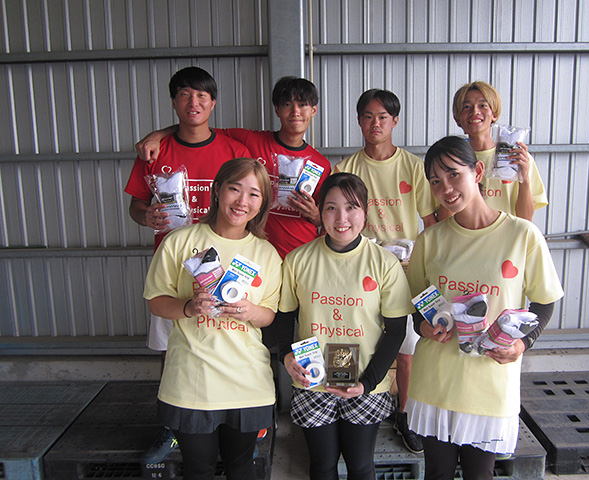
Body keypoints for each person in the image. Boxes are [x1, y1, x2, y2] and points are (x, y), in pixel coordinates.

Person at [405, 136, 564, 480]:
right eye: (435, 181)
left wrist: (522, 343)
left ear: (477, 171)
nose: (446, 188)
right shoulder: (430, 240)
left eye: (453, 174)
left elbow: (545, 301)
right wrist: (423, 326)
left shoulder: (522, 235)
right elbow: (416, 305)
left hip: (490, 382)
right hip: (436, 380)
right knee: (437, 473)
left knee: (480, 475)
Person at [125, 66, 250, 462]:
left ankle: (237, 420)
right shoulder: (155, 152)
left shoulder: (233, 149)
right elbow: (135, 204)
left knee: (231, 339)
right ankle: (172, 427)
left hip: (227, 268)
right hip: (173, 268)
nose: (193, 103)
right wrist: (146, 216)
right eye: (184, 94)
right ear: (173, 101)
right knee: (171, 349)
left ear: (213, 103)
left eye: (201, 96)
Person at [143, 158, 282, 480]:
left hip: (248, 382)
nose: (242, 201)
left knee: (241, 468)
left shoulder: (267, 254)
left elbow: (269, 315)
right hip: (192, 380)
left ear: (262, 203)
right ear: (217, 190)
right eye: (235, 189)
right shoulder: (179, 241)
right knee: (198, 469)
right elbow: (156, 302)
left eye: (254, 194)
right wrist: (189, 307)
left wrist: (249, 311)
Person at [278, 172, 413, 480]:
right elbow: (284, 318)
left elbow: (395, 331)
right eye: (331, 208)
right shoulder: (298, 260)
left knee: (360, 466)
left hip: (366, 382)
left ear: (365, 212)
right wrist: (286, 356)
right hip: (312, 380)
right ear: (319, 211)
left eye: (351, 207)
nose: (342, 218)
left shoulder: (384, 263)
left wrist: (368, 383)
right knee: (322, 466)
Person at [333, 89, 437, 454]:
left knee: (407, 350)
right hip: (356, 270)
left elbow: (430, 222)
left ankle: (404, 413)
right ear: (358, 121)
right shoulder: (345, 168)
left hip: (404, 273)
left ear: (395, 121)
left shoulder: (413, 166)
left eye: (382, 117)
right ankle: (345, 405)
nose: (375, 124)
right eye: (367, 116)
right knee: (350, 336)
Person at [136, 76, 331, 259]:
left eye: (302, 105)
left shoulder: (321, 163)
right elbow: (197, 128)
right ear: (277, 110)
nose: (295, 112)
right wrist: (157, 135)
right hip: (253, 252)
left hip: (301, 253)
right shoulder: (251, 141)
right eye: (287, 104)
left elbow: (326, 219)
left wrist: (315, 215)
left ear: (313, 110)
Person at [438, 80, 548, 222]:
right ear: (457, 118)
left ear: (494, 114)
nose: (475, 111)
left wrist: (524, 178)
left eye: (483, 105)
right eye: (466, 107)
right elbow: (444, 221)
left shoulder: (517, 158)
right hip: (466, 236)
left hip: (507, 235)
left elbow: (525, 219)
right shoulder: (450, 160)